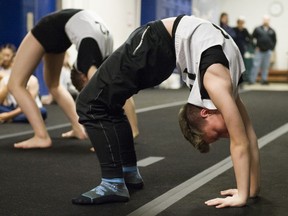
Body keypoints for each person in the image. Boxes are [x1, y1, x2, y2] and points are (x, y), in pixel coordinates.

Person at [72, 15, 260, 209]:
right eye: (217, 133)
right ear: (205, 113)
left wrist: (248, 191)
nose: (225, 133)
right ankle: (123, 175)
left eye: (218, 134)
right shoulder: (217, 84)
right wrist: (244, 194)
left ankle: (118, 179)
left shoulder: (223, 85)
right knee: (94, 103)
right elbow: (242, 141)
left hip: (163, 50)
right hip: (155, 41)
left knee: (98, 103)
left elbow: (247, 137)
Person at [8, 8, 117, 149]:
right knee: (53, 85)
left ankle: (41, 136)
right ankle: (78, 128)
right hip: (61, 34)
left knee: (15, 84)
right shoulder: (96, 36)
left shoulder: (86, 39)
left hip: (49, 29)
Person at [249, 15, 277, 85]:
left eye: (267, 20)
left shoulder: (272, 30)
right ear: (263, 20)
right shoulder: (257, 29)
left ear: (269, 21)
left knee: (265, 66)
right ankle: (252, 80)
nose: (266, 21)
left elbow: (275, 40)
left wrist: (271, 48)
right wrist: (255, 47)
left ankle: (264, 80)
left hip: (268, 51)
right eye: (265, 20)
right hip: (259, 51)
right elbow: (251, 38)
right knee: (256, 65)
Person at [233, 16, 253, 81]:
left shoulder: (245, 30)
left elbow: (250, 39)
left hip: (242, 50)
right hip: (235, 50)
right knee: (236, 64)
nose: (241, 24)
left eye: (242, 23)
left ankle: (242, 79)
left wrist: (246, 45)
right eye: (240, 22)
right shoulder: (234, 29)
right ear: (237, 23)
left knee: (243, 65)